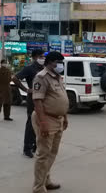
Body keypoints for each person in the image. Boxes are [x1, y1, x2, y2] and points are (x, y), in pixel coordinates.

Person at [31, 52, 69, 193]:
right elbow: (37, 101)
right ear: (50, 62)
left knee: (52, 153)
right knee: (43, 154)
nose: (61, 65)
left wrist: (65, 116)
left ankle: (46, 180)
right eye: (59, 62)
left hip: (58, 119)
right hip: (46, 119)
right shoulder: (41, 77)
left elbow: (61, 98)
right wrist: (43, 123)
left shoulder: (58, 77)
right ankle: (38, 187)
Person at [13, 49, 45, 158]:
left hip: (43, 99)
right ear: (35, 57)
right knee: (31, 123)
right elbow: (15, 78)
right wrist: (26, 89)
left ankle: (36, 145)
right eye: (41, 56)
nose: (43, 58)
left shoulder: (44, 68)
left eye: (43, 56)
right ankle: (27, 148)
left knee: (41, 123)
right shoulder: (29, 68)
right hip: (33, 99)